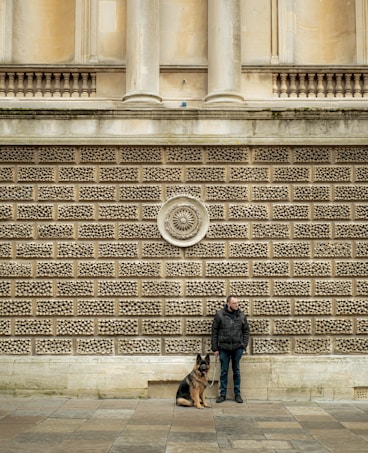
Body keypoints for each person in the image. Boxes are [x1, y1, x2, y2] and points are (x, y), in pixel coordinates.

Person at [211, 295, 249, 403]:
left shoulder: (241, 316)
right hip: (224, 347)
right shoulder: (219, 315)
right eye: (234, 303)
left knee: (236, 371)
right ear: (228, 304)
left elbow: (246, 331)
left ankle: (237, 394)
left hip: (237, 347)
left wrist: (243, 345)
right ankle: (222, 394)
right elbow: (214, 332)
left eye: (237, 303)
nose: (237, 305)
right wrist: (215, 348)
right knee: (224, 371)